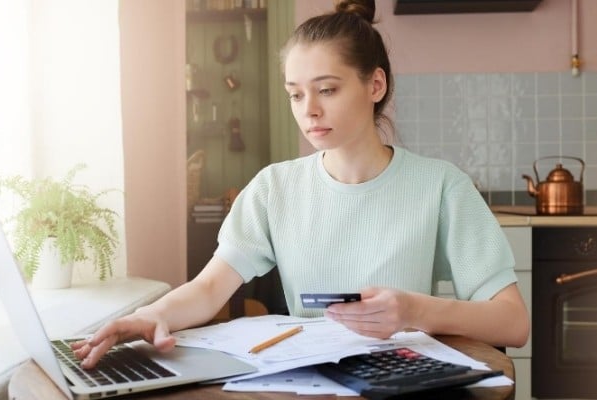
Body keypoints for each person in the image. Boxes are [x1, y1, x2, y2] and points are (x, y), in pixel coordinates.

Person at [73, 0, 529, 368]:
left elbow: (512, 323)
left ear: (375, 85)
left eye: (327, 90)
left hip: (402, 382)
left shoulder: (442, 186)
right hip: (307, 382)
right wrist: (147, 316)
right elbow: (210, 289)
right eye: (295, 93)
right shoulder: (274, 188)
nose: (308, 109)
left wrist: (415, 312)